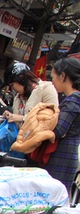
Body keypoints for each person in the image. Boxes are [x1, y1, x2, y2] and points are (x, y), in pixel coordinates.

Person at [45, 57, 80, 191]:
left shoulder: (74, 100)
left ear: (63, 76)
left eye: (53, 76)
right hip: (67, 153)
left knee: (55, 196)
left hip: (62, 156)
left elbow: (59, 130)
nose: (52, 81)